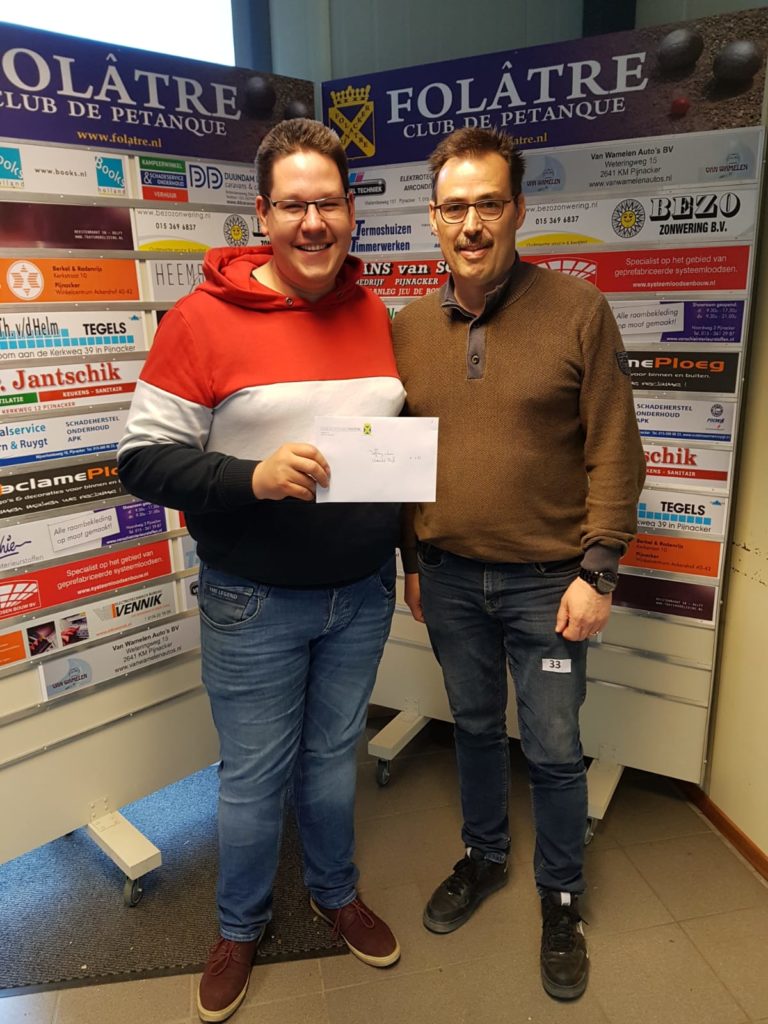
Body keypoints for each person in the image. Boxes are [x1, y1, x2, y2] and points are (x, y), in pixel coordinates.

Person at [118, 118, 404, 1023]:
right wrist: (251, 476)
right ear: (263, 215)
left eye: (328, 203)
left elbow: (390, 454)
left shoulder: (375, 314)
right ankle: (239, 927)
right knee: (251, 778)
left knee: (331, 762)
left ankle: (334, 892)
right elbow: (141, 461)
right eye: (293, 206)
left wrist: (409, 553)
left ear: (351, 210)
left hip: (362, 594)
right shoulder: (200, 320)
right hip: (252, 602)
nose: (313, 222)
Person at [391, 127, 645, 1001]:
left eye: (488, 204)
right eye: (454, 208)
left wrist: (598, 571)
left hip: (550, 585)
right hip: (448, 577)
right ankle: (485, 855)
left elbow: (616, 450)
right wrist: (411, 560)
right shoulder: (407, 329)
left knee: (555, 747)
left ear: (519, 210)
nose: (471, 224)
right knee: (470, 727)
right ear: (433, 219)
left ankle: (562, 896)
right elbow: (400, 460)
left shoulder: (578, 310)